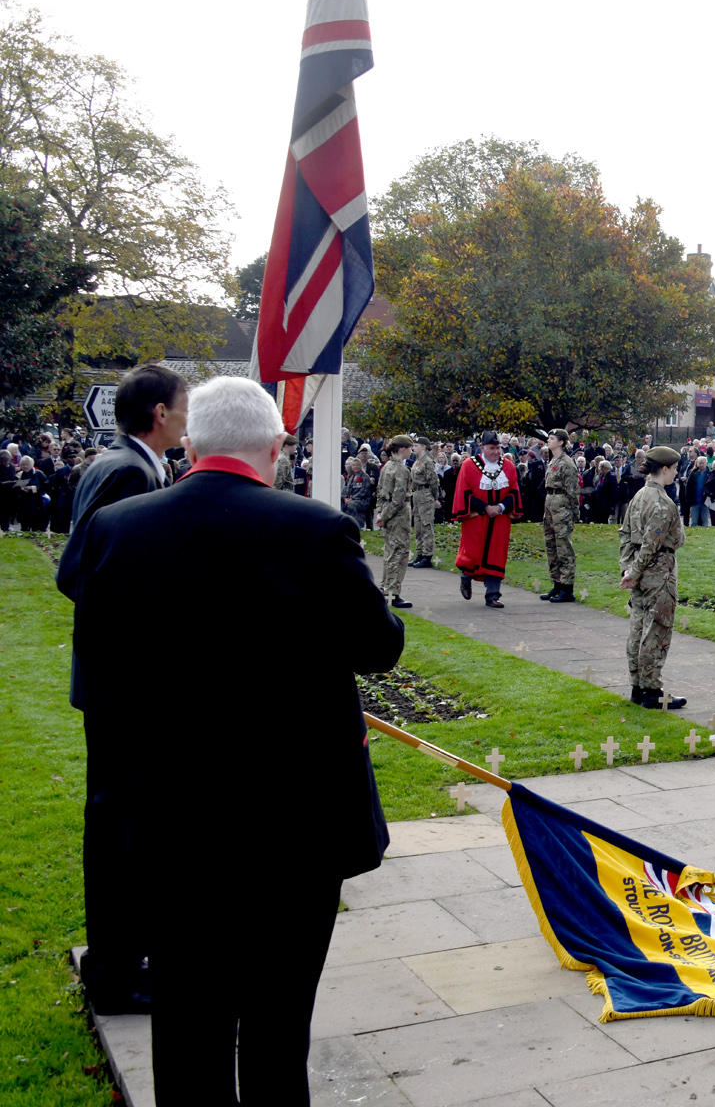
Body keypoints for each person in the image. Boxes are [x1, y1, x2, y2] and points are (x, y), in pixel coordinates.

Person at [67, 376, 403, 1102]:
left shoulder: (117, 528)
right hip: (295, 821)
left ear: (191, 443)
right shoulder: (313, 529)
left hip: (169, 813)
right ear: (277, 446)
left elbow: (98, 669)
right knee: (279, 1027)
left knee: (187, 1023)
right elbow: (379, 646)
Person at [55, 363, 187, 1016]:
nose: (187, 418)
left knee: (121, 824)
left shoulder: (120, 465)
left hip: (110, 681)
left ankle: (122, 957)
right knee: (119, 830)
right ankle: (115, 969)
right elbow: (79, 571)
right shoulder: (130, 474)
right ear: (159, 414)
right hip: (123, 686)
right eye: (182, 407)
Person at [620, 446, 687, 709]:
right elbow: (652, 543)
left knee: (638, 628)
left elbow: (625, 534)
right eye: (675, 468)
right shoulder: (661, 502)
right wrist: (634, 572)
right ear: (666, 469)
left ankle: (638, 686)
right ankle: (651, 691)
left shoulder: (639, 496)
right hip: (658, 572)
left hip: (640, 570)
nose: (676, 473)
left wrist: (628, 568)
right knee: (655, 631)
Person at [452, 431, 523, 608]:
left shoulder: (508, 466)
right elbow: (464, 491)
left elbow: (514, 491)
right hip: (476, 518)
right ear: (482, 448)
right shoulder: (469, 465)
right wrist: (485, 508)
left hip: (500, 519)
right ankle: (465, 578)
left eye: (498, 448)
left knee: (497, 554)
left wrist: (500, 507)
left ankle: (492, 595)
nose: (496, 452)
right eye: (492, 448)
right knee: (472, 552)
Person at [373, 435, 414, 609]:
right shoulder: (401, 470)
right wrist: (385, 516)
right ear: (403, 449)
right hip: (398, 517)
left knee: (390, 552)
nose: (411, 451)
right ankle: (392, 592)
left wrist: (381, 513)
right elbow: (398, 498)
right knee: (399, 554)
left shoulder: (386, 467)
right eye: (409, 448)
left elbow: (380, 492)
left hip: (389, 515)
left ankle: (386, 588)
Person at [540, 428, 580, 602]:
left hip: (562, 504)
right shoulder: (553, 460)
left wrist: (574, 512)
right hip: (550, 502)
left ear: (562, 442)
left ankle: (567, 588)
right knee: (551, 545)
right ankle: (557, 584)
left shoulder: (567, 463)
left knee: (564, 547)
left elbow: (572, 490)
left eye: (552, 438)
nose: (548, 441)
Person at [408, 438, 441, 568]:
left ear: (423, 446)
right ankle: (420, 553)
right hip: (416, 494)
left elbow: (433, 480)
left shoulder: (427, 462)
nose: (413, 448)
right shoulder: (417, 461)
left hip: (425, 493)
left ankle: (427, 555)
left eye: (416, 445)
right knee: (418, 525)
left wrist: (435, 497)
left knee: (426, 525)